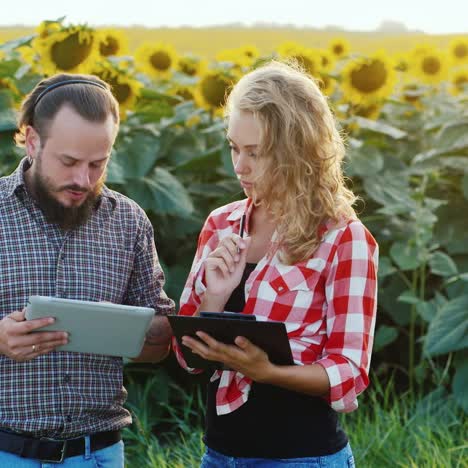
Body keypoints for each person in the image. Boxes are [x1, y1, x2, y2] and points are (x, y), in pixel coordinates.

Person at [174, 60, 378, 467]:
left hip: (303, 457)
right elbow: (188, 359)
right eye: (234, 147)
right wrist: (215, 296)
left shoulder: (343, 238)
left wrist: (268, 372)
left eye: (256, 152)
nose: (239, 166)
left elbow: (349, 370)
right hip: (219, 455)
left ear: (297, 150)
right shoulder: (221, 223)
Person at [0, 74, 175, 467]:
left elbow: (159, 344)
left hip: (99, 453)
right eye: (69, 162)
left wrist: (131, 327)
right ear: (32, 141)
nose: (83, 179)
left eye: (99, 163)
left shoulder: (129, 221)